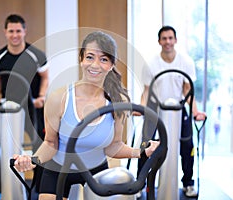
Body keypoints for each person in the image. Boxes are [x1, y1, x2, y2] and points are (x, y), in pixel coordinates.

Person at [13, 31, 160, 200]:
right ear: (81, 59)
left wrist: (141, 151)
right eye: (90, 57)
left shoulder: (118, 101)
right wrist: (32, 160)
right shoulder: (58, 98)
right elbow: (50, 143)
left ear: (111, 65)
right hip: (58, 169)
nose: (95, 65)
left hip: (96, 169)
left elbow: (114, 146)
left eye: (104, 59)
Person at [137, 25, 206, 198]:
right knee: (146, 145)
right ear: (159, 41)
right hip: (156, 109)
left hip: (178, 109)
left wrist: (196, 112)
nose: (167, 42)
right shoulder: (151, 63)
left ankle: (188, 184)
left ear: (175, 40)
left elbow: (188, 90)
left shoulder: (186, 61)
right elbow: (146, 91)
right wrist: (141, 109)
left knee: (187, 146)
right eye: (164, 38)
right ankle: (140, 184)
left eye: (170, 38)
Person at [0, 14, 48, 199]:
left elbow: (45, 78)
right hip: (8, 108)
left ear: (24, 31)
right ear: (5, 32)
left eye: (18, 31)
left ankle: (39, 187)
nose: (15, 35)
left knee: (42, 146)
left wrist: (42, 97)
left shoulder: (36, 55)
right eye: (11, 31)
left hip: (32, 107)